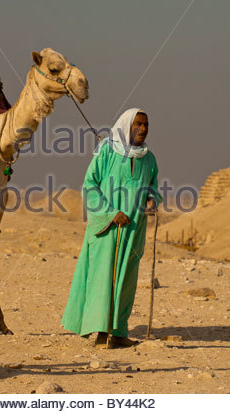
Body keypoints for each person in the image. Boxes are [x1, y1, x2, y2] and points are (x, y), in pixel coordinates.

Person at [61, 108, 162, 348]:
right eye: (138, 124)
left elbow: (153, 188)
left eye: (146, 124)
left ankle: (119, 332)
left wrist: (151, 200)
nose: (144, 129)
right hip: (107, 229)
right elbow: (89, 184)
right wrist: (110, 213)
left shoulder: (149, 158)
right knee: (102, 279)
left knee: (126, 280)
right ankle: (100, 333)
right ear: (127, 125)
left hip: (133, 231)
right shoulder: (107, 150)